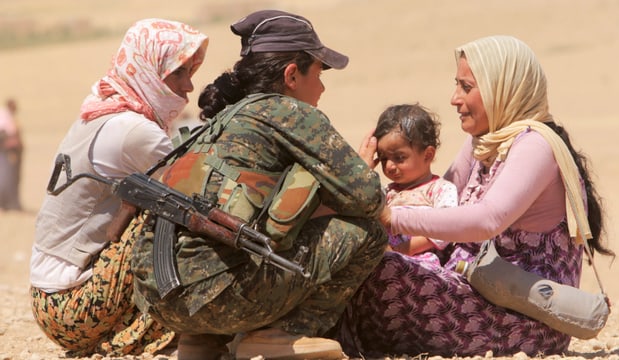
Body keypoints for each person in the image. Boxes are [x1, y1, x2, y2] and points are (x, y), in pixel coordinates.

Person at [334, 35, 615, 358]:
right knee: (361, 255)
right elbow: (441, 203)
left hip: (520, 318)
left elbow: (486, 220)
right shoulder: (485, 141)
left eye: (466, 87)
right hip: (475, 290)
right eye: (457, 85)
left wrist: (390, 217)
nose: (454, 99)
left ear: (501, 88)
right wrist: (364, 176)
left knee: (378, 269)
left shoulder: (535, 146)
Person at [128, 10, 387, 360]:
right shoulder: (289, 113)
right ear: (292, 74)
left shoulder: (224, 116)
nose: (323, 87)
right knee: (368, 232)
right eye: (319, 72)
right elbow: (368, 198)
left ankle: (201, 342)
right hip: (215, 296)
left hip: (157, 298)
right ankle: (281, 334)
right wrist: (361, 169)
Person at [29, 19, 208, 357]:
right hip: (73, 306)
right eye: (178, 74)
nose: (188, 88)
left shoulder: (103, 107)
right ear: (149, 71)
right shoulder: (134, 131)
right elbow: (199, 193)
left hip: (48, 301)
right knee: (177, 213)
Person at [372, 103, 457, 258]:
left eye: (399, 158)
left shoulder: (440, 190)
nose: (389, 166)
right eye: (384, 158)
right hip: (386, 259)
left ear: (428, 155)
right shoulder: (386, 193)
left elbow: (446, 229)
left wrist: (404, 250)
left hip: (421, 265)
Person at [0, 98, 23, 211]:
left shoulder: (8, 116)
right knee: (6, 177)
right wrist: (11, 151)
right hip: (7, 153)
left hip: (10, 152)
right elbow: (7, 135)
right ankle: (6, 204)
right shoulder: (4, 117)